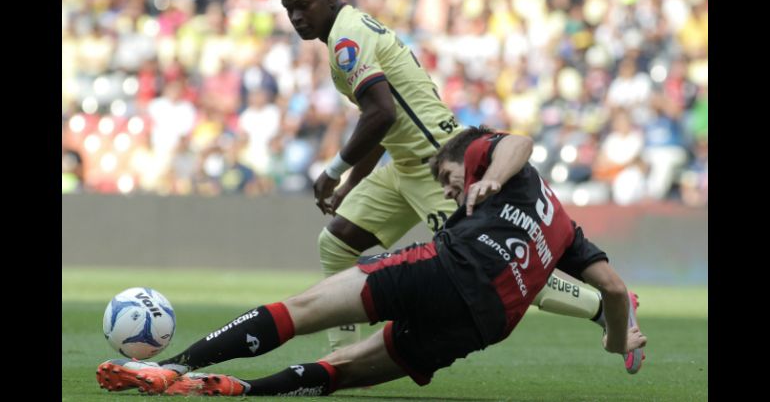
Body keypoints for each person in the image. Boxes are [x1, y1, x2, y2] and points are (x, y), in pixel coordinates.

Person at [95, 126, 646, 397]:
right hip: (483, 325)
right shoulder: (567, 231)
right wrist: (616, 337)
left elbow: (519, 141)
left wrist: (493, 176)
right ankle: (243, 390)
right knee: (346, 370)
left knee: (307, 307)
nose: (456, 194)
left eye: (451, 182)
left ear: (465, 159)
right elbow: (617, 292)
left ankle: (177, 366)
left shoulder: (497, 165)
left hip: (447, 270)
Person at [277, 0, 612, 352]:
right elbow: (382, 124)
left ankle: (604, 306)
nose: (297, 16)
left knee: (492, 266)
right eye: (289, 9)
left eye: (304, 4)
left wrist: (333, 171)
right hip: (404, 164)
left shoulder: (347, 39)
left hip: (438, 164)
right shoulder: (348, 32)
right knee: (335, 242)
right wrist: (352, 184)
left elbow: (380, 113)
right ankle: (340, 356)